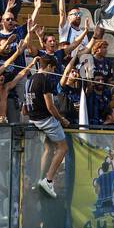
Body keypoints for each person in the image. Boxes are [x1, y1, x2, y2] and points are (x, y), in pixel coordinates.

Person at [29, 53, 69, 198]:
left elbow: (24, 107)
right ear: (50, 67)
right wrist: (62, 120)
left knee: (49, 147)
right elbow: (50, 106)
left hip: (33, 119)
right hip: (45, 120)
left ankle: (39, 179)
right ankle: (49, 180)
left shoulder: (30, 79)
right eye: (53, 68)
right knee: (63, 148)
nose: (53, 71)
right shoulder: (45, 80)